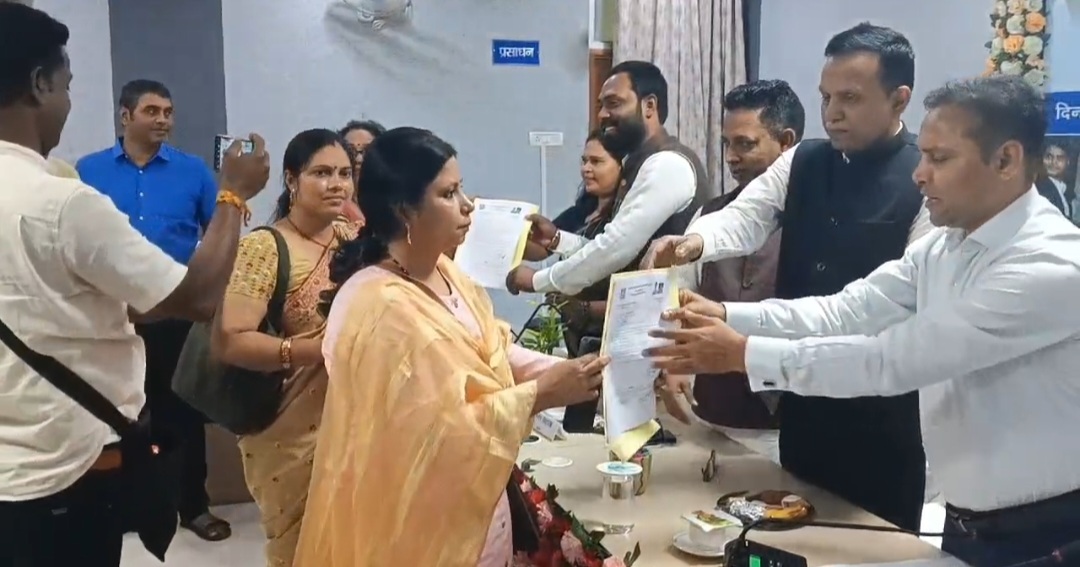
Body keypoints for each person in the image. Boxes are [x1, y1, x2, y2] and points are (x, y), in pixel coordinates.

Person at [647, 74, 1080, 567]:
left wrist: (744, 354)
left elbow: (892, 359)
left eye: (939, 159)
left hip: (1042, 531)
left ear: (1006, 160)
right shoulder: (948, 245)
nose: (919, 175)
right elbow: (849, 309)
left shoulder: (1049, 264)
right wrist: (728, 314)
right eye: (924, 156)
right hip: (970, 524)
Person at [0, 4, 269, 567]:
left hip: (18, 449)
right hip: (61, 466)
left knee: (181, 415)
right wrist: (235, 193)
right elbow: (199, 296)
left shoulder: (178, 172)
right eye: (66, 85)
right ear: (39, 84)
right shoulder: (64, 196)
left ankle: (191, 502)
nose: (67, 102)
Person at [643, 23, 932, 531]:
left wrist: (735, 329)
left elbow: (886, 305)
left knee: (871, 543)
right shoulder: (804, 159)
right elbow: (746, 215)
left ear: (899, 99)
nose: (831, 112)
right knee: (789, 534)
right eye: (825, 97)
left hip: (880, 411)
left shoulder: (924, 180)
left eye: (849, 98)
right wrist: (695, 242)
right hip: (798, 404)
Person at [293, 127, 609, 566]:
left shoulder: (446, 272)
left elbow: (494, 351)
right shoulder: (375, 306)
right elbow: (435, 431)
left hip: (478, 507)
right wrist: (540, 395)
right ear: (406, 210)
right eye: (448, 194)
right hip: (417, 523)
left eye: (461, 188)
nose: (467, 205)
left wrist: (586, 371)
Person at [75, 78, 231, 542]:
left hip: (176, 314)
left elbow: (220, 236)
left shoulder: (193, 172)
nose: (163, 119)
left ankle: (194, 506)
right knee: (117, 412)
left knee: (182, 412)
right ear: (125, 116)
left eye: (168, 111)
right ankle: (124, 509)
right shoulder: (88, 172)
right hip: (111, 315)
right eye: (152, 111)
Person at [217, 129, 357, 567]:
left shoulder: (353, 239)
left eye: (345, 174)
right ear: (292, 179)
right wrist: (310, 350)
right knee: (299, 553)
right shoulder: (264, 248)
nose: (336, 184)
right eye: (322, 173)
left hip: (353, 424)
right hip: (288, 434)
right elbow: (232, 339)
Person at [664, 79, 805, 464]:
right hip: (710, 411)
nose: (731, 157)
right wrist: (674, 363)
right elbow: (677, 295)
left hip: (786, 423)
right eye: (727, 144)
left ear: (786, 142)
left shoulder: (816, 224)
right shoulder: (709, 217)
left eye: (745, 144)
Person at [505, 61, 708, 297]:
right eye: (601, 105)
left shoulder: (668, 164)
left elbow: (616, 247)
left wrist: (538, 280)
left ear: (649, 106)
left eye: (613, 103)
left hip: (667, 316)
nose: (602, 114)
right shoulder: (640, 164)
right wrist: (557, 240)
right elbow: (616, 249)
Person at [522, 129, 624, 356]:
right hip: (575, 337)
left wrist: (580, 306)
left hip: (608, 338)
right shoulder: (582, 212)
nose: (586, 168)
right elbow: (540, 247)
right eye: (584, 161)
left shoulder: (624, 223)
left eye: (596, 162)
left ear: (620, 166)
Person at [338, 119, 385, 223]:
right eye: (350, 150)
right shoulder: (331, 202)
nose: (358, 159)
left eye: (367, 151)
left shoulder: (393, 203)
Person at [1035, 142, 1073, 217]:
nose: (1053, 162)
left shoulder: (1065, 191)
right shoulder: (1041, 188)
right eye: (1049, 157)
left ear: (1068, 162)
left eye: (1059, 158)